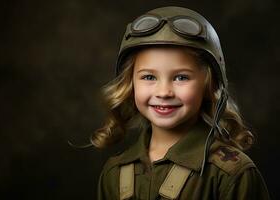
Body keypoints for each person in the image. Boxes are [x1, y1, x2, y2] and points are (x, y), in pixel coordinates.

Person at [92, 6, 270, 200]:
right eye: (149, 77)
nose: (164, 92)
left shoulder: (232, 174)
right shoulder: (114, 173)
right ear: (130, 84)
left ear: (209, 85)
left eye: (181, 77)